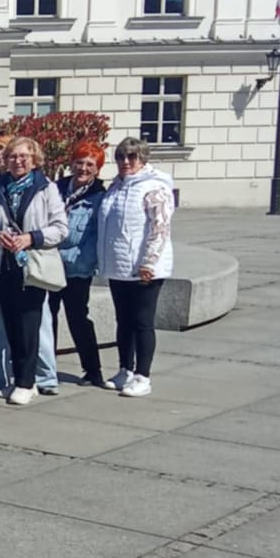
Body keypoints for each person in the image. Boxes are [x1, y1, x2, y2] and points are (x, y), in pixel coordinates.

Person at [0, 136, 68, 406]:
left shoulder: (46, 188)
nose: (17, 161)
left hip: (33, 264)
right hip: (2, 265)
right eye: (13, 156)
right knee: (11, 325)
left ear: (34, 160)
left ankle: (26, 382)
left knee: (29, 324)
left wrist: (31, 237)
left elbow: (61, 228)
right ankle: (22, 379)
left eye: (23, 156)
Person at [98, 137, 175, 398]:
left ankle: (143, 376)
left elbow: (160, 228)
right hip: (119, 266)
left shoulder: (154, 187)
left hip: (144, 268)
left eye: (132, 157)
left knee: (142, 322)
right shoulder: (116, 186)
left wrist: (149, 262)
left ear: (143, 159)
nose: (126, 162)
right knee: (123, 321)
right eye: (121, 157)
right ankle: (125, 370)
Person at [53, 140, 108, 388]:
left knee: (78, 318)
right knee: (47, 318)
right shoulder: (56, 190)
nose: (83, 168)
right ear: (71, 163)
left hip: (76, 269)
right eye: (79, 162)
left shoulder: (99, 198)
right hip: (49, 267)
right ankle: (46, 368)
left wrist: (72, 259)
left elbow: (95, 237)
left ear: (97, 169)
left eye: (90, 164)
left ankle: (93, 370)